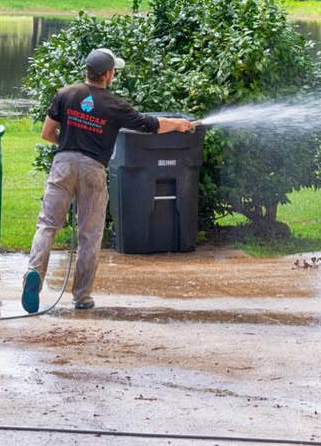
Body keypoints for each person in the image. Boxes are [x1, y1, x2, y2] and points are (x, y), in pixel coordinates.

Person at [22, 47, 193, 313]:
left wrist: (68, 145)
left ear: (88, 71)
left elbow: (47, 132)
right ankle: (81, 296)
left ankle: (34, 273)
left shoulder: (65, 95)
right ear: (109, 74)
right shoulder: (115, 105)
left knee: (47, 225)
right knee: (89, 235)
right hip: (93, 170)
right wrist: (178, 123)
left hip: (63, 164)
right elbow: (150, 125)